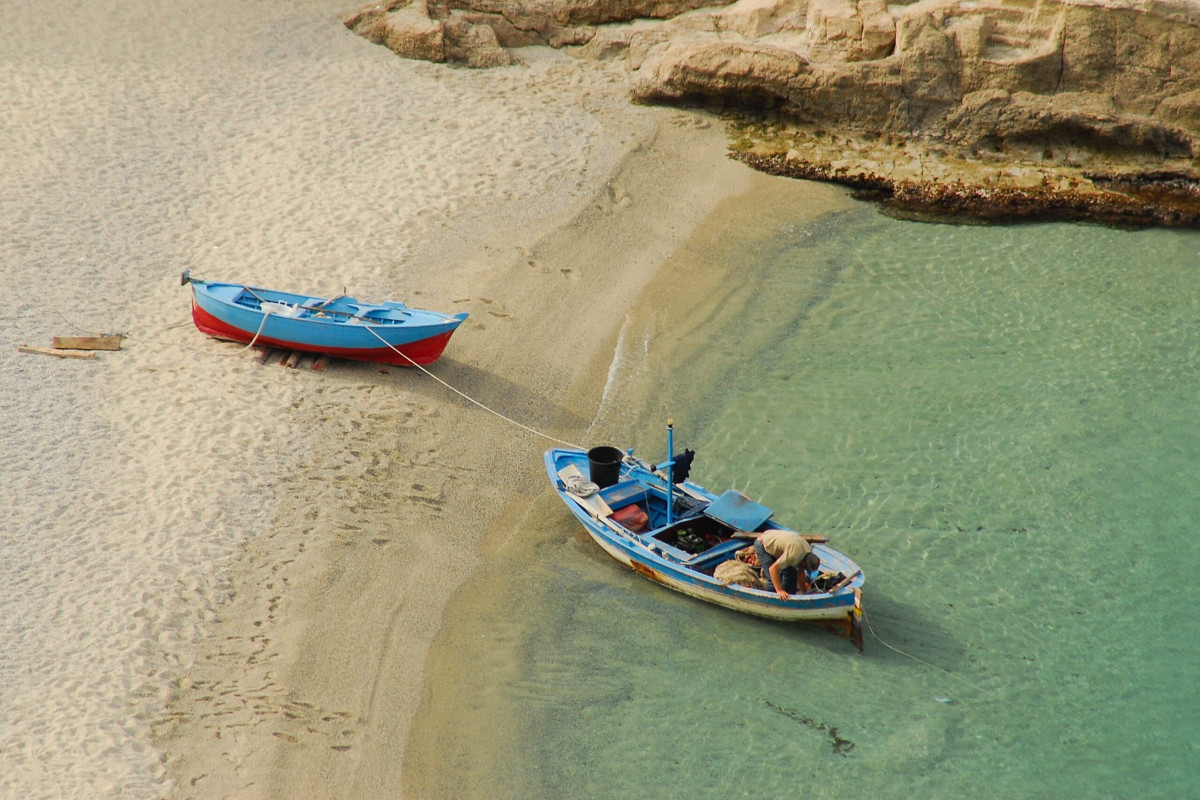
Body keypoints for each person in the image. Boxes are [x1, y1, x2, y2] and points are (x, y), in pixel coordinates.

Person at [754, 529, 820, 600]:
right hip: (763, 544)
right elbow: (772, 569)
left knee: (791, 573)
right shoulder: (793, 555)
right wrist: (779, 591)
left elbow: (800, 573)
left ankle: (787, 598)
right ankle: (769, 601)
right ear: (804, 563)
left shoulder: (808, 550)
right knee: (773, 582)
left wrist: (805, 593)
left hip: (778, 544)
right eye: (806, 567)